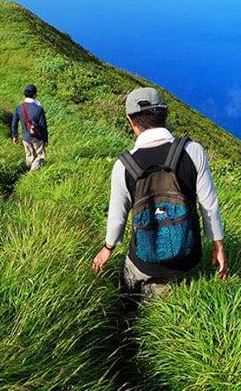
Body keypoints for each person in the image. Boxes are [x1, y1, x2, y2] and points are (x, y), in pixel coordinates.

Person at [92, 87, 227, 298]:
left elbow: (117, 217)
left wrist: (107, 248)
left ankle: (126, 312)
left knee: (131, 296)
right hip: (186, 260)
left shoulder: (123, 165)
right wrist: (218, 244)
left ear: (130, 120)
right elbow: (209, 205)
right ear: (164, 114)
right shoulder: (193, 151)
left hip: (143, 262)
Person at [10, 84, 48, 171]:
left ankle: (28, 173)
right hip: (37, 138)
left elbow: (14, 123)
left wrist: (15, 136)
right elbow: (43, 126)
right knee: (40, 156)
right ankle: (32, 174)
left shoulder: (19, 108)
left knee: (29, 156)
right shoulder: (39, 109)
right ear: (34, 95)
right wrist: (45, 140)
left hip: (25, 137)